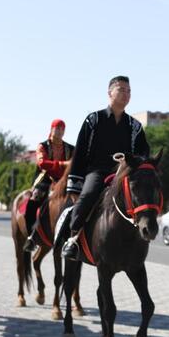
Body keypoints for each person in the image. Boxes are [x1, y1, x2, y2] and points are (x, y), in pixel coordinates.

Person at [60, 76, 150, 259]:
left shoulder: (136, 127)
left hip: (124, 175)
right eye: (122, 90)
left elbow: (144, 155)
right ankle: (72, 239)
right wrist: (74, 185)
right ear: (110, 92)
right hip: (98, 172)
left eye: (129, 91)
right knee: (87, 196)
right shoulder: (93, 120)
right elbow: (80, 154)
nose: (126, 94)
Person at [23, 119, 74, 253]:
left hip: (63, 179)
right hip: (45, 178)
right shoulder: (42, 146)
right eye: (57, 128)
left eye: (62, 129)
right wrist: (63, 164)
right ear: (51, 129)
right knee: (34, 200)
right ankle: (31, 236)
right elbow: (42, 163)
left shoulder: (70, 148)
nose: (60, 131)